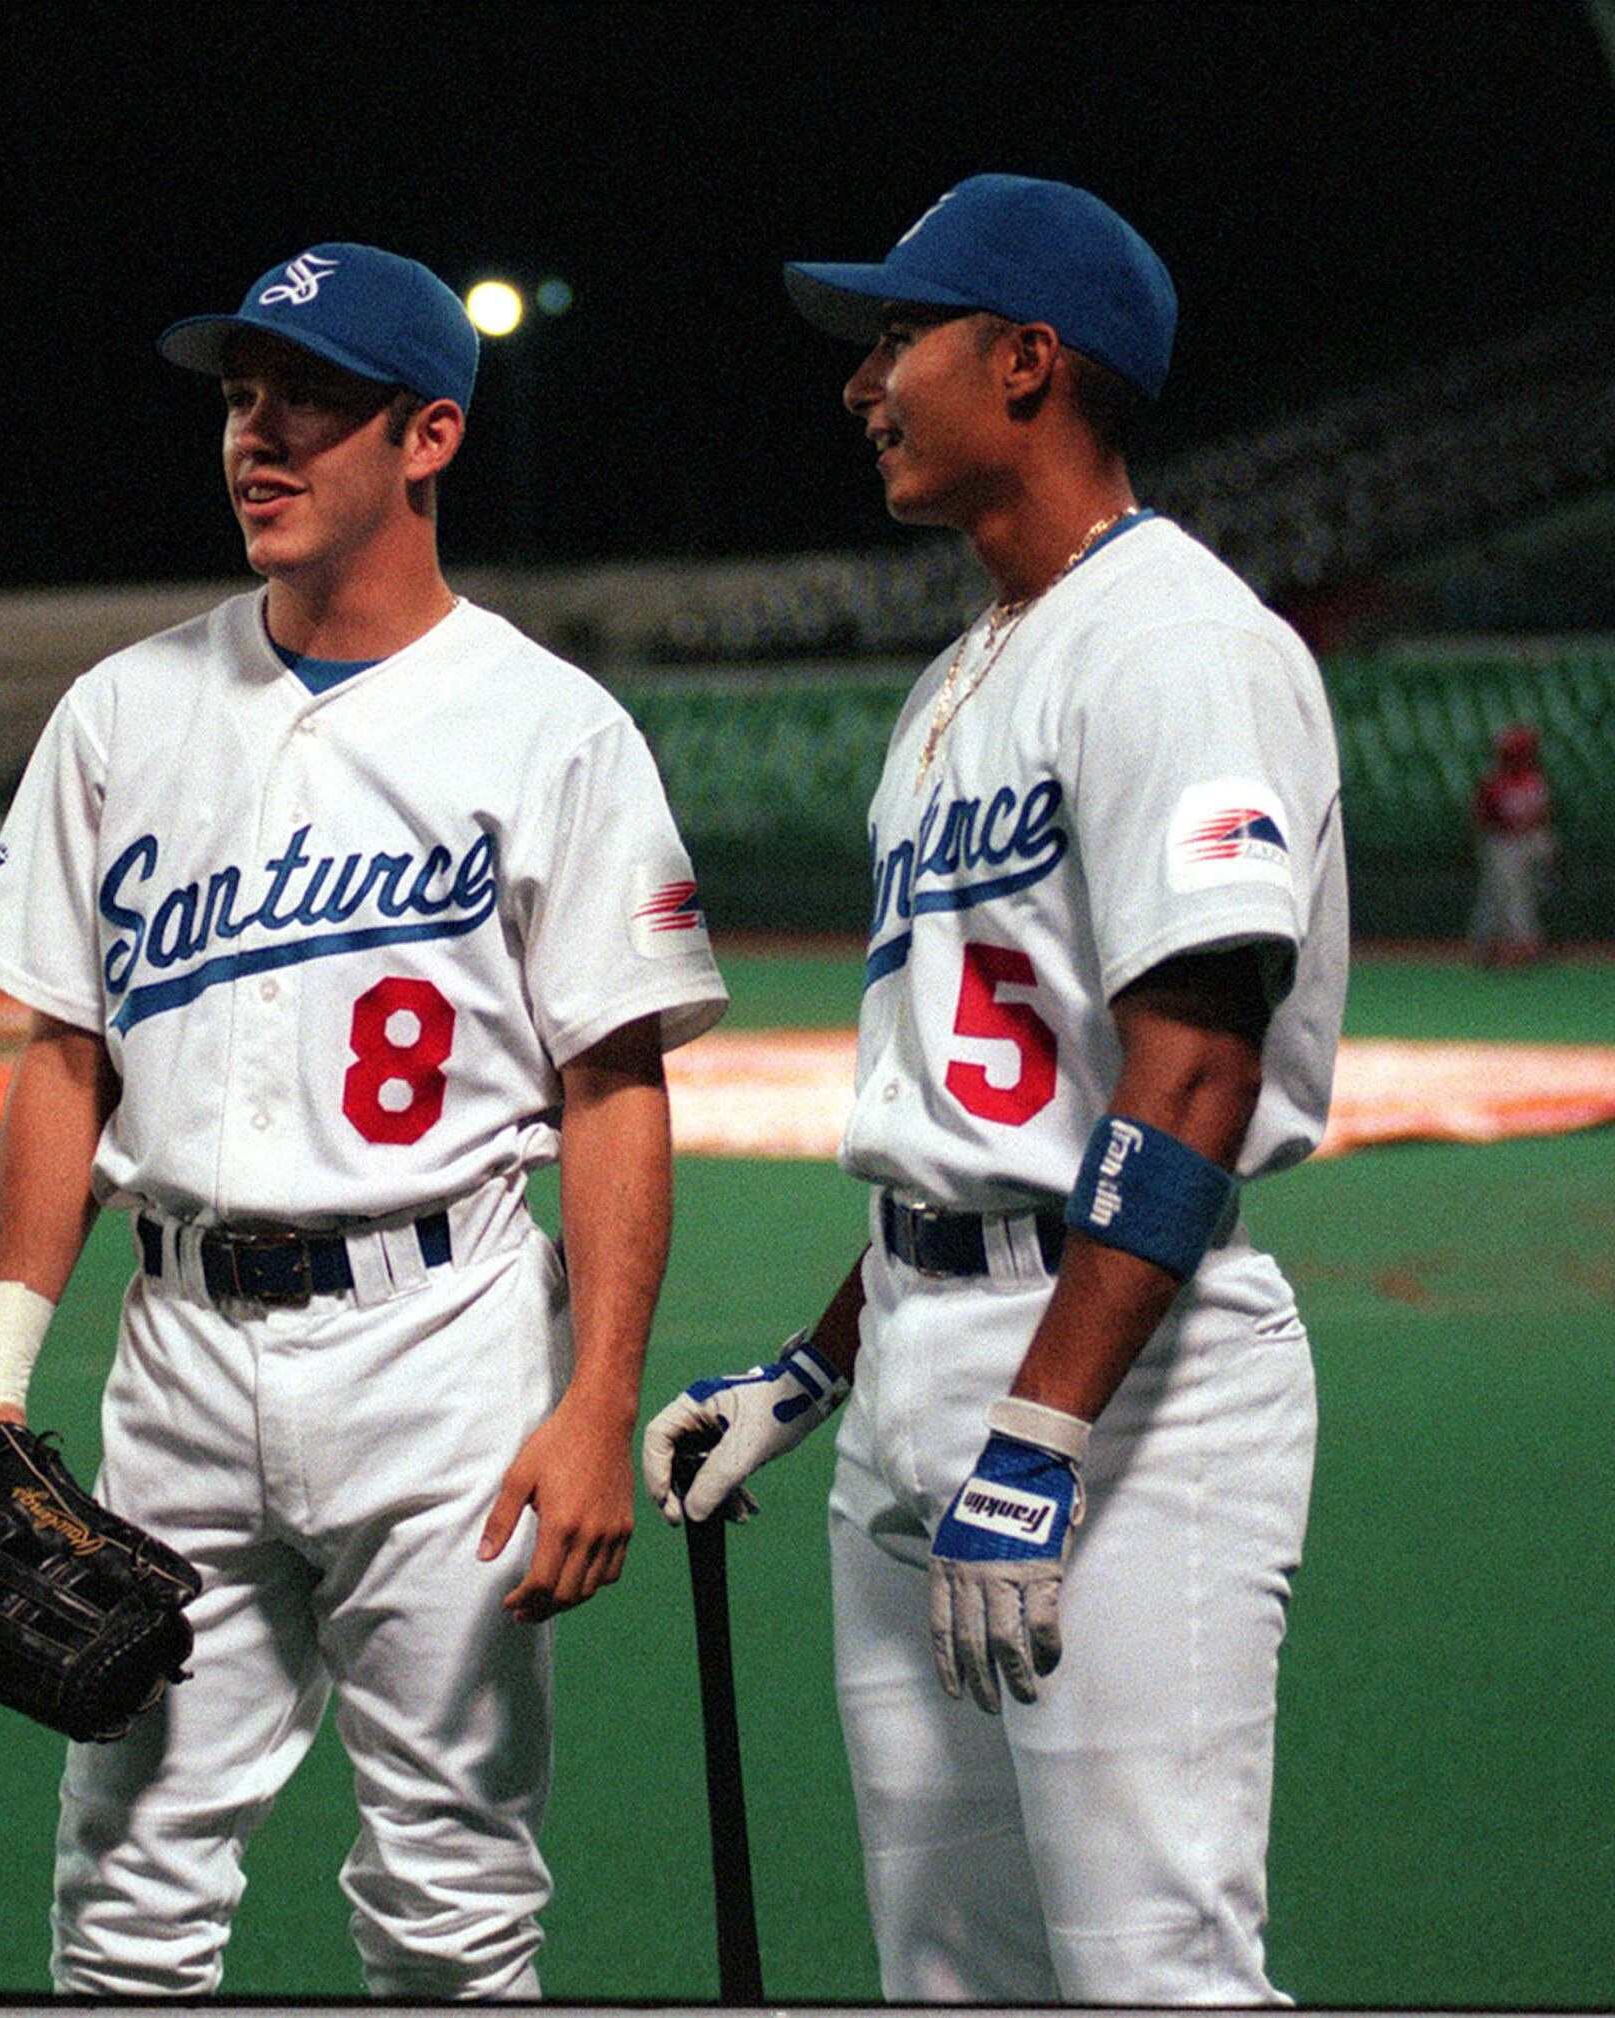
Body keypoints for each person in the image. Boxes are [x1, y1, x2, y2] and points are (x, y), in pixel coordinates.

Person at [0, 242, 727, 1996]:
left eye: (309, 398)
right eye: (238, 397)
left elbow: (614, 1087)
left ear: (430, 434)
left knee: (454, 1893)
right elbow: (62, 1061)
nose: (258, 435)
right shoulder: (122, 710)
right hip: (177, 1350)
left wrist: (599, 1398)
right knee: (126, 1887)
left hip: (444, 1344)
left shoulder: (553, 729)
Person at [645, 176, 1348, 2004]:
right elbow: (968, 1132)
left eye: (899, 337)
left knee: (1151, 1968)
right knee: (953, 1971)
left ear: (1029, 361)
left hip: (1122, 1384)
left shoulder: (1176, 644)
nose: (860, 380)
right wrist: (821, 1363)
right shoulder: (966, 673)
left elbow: (1188, 1073)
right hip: (931, 1364)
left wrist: (1040, 1441)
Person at [1469, 720, 1553, 965]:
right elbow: (1482, 820)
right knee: (1506, 887)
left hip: (1528, 841)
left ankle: (1498, 943)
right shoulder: (1493, 783)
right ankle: (1515, 943)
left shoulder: (1535, 781)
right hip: (1501, 843)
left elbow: (1541, 818)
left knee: (1507, 890)